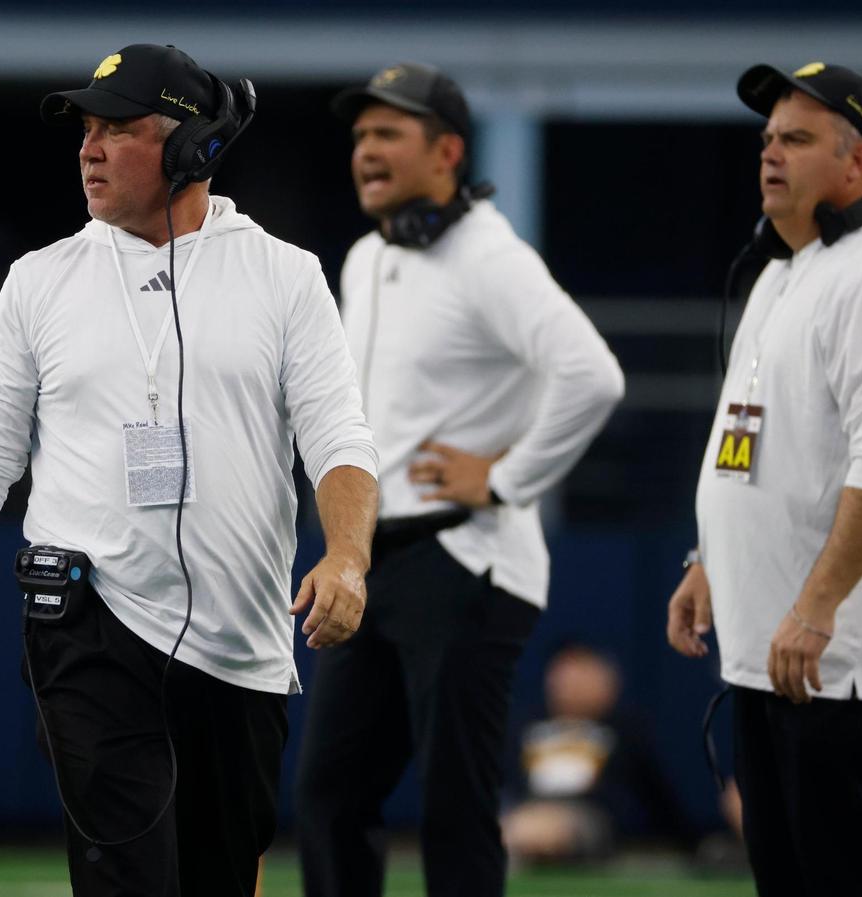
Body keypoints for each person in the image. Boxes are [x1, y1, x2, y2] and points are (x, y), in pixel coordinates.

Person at [0, 43, 379, 897]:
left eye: (116, 129)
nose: (89, 149)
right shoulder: (39, 281)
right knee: (128, 876)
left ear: (190, 146)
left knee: (220, 877)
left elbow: (338, 436)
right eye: (85, 130)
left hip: (238, 643)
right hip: (87, 625)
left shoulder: (286, 277)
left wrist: (348, 557)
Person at [295, 62, 624, 897]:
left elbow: (592, 375)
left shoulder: (489, 255)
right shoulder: (365, 257)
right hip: (373, 562)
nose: (366, 150)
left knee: (454, 804)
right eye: (360, 135)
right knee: (328, 793)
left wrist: (508, 478)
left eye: (388, 133)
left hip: (465, 560)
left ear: (447, 151)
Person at [667, 61, 862, 895]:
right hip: (768, 653)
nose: (770, 153)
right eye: (768, 138)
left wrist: (818, 605)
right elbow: (749, 437)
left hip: (842, 663)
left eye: (796, 139)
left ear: (858, 162)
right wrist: (706, 559)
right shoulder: (779, 270)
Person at [500, 642, 697, 865]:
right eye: (564, 680)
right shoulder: (526, 728)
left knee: (544, 831)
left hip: (588, 817)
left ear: (608, 684)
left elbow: (658, 795)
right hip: (526, 811)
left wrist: (688, 841)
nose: (570, 689)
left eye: (580, 679)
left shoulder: (624, 731)